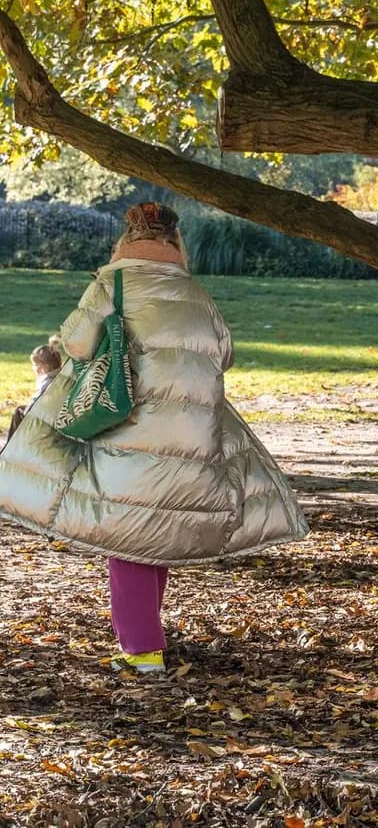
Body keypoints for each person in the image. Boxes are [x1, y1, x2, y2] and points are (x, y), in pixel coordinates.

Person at [0, 202, 309, 674]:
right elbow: (224, 353)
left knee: (129, 537)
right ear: (174, 241)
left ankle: (142, 651)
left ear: (126, 238)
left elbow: (77, 343)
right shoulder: (195, 292)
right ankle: (146, 638)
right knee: (155, 532)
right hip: (191, 430)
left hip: (130, 426)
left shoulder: (112, 283)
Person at [5, 337, 63, 445]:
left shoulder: (46, 383)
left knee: (18, 412)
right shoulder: (62, 378)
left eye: (35, 365)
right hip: (56, 418)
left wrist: (25, 410)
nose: (33, 368)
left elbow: (32, 407)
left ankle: (10, 448)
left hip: (43, 422)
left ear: (44, 367)